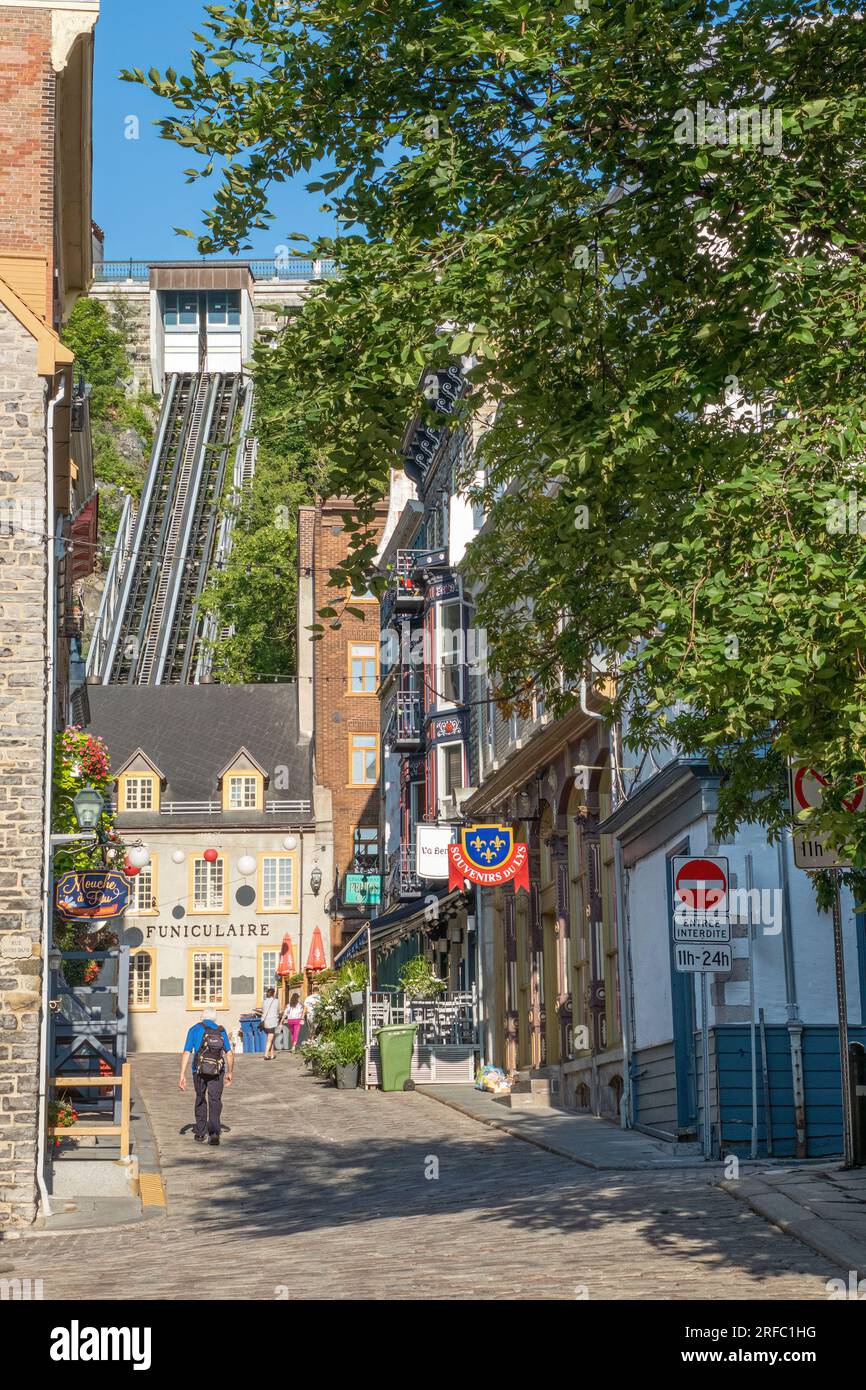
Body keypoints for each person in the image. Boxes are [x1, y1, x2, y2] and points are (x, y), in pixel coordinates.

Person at [179, 1013, 233, 1146]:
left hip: (198, 1071)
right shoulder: (221, 1030)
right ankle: (214, 1133)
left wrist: (182, 1074)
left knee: (200, 1098)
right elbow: (229, 1053)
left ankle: (200, 1132)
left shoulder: (194, 1029)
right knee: (215, 1100)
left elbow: (186, 1052)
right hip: (217, 1071)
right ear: (215, 1018)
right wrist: (230, 1072)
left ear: (202, 1017)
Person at [261, 986, 281, 1060]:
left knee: (270, 1037)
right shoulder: (276, 1001)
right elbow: (278, 1011)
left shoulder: (264, 1001)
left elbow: (263, 1010)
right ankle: (266, 1054)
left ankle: (272, 1054)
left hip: (265, 1021)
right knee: (270, 1038)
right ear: (273, 994)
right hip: (273, 1021)